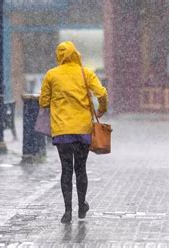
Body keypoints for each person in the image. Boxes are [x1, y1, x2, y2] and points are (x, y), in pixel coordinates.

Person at [39, 41, 108, 224]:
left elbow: (44, 103)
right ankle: (81, 206)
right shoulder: (85, 73)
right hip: (82, 130)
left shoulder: (51, 75)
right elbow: (101, 93)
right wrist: (102, 109)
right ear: (75, 54)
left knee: (66, 170)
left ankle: (67, 211)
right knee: (81, 168)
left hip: (62, 131)